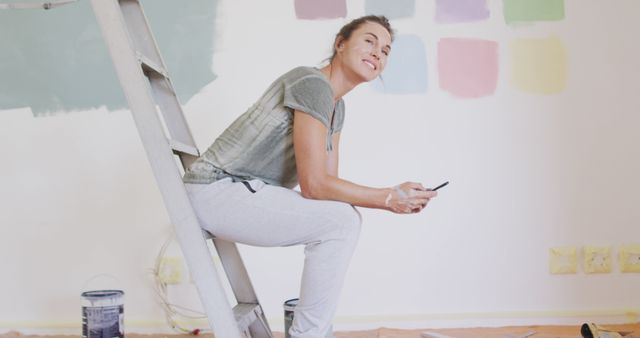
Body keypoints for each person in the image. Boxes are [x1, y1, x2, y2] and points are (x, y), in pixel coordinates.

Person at [183, 15, 438, 338]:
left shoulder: (336, 107)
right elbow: (315, 186)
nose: (378, 53)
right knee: (342, 222)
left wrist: (395, 197)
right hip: (215, 189)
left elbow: (327, 189)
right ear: (340, 43)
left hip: (240, 191)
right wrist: (388, 197)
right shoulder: (312, 83)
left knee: (341, 218)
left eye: (386, 50)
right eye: (370, 41)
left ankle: (309, 333)